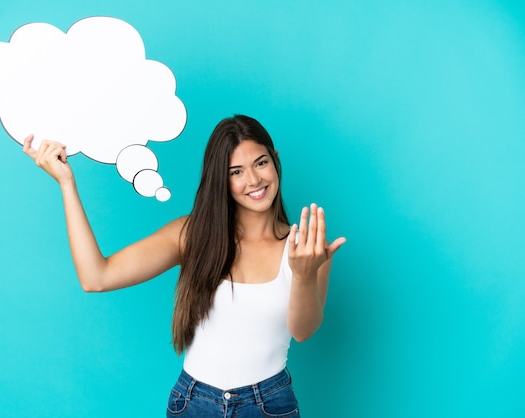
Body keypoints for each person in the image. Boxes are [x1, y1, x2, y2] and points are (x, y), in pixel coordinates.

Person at [23, 115, 346, 417]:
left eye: (261, 163)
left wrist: (303, 274)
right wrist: (67, 184)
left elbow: (303, 332)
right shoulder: (190, 235)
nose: (253, 180)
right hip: (195, 403)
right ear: (219, 178)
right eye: (236, 171)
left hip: (269, 403)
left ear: (275, 160)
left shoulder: (305, 247)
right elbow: (96, 277)